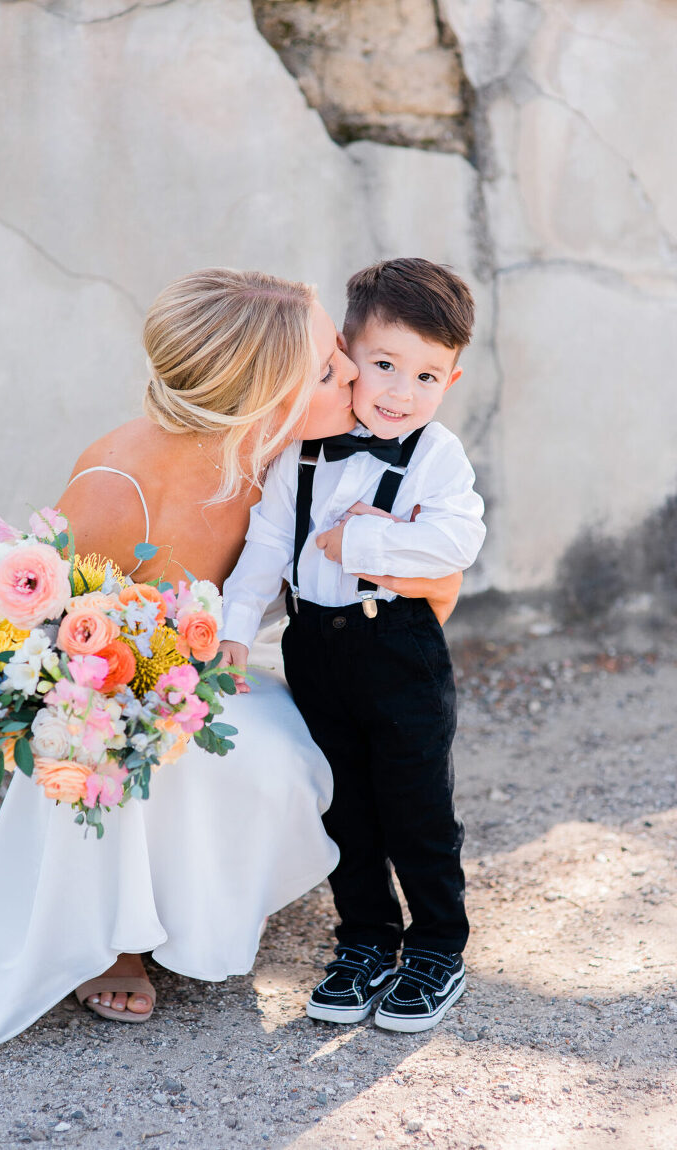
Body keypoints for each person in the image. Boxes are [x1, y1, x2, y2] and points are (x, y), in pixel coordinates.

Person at [0, 267, 461, 1050]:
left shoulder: (295, 459)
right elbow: (50, 653)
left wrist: (396, 558)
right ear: (269, 395)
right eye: (331, 370)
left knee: (295, 761)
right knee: (143, 762)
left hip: (211, 669)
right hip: (103, 692)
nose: (354, 380)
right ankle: (115, 937)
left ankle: (206, 902)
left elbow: (441, 571)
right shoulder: (118, 487)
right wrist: (116, 710)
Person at [218, 258, 485, 1033]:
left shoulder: (437, 455)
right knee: (345, 809)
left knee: (417, 805)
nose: (403, 392)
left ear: (452, 381)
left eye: (427, 376)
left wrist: (364, 541)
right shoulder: (301, 450)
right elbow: (264, 551)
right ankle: (367, 939)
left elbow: (457, 538)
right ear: (345, 354)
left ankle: (438, 947)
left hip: (398, 650)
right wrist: (234, 634)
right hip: (314, 649)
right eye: (385, 365)